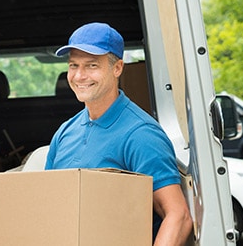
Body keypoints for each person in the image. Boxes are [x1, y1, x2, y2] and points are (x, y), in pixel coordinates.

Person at [45, 22, 192, 245]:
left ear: (117, 68)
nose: (79, 76)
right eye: (73, 65)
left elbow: (178, 216)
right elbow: (49, 204)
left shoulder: (141, 134)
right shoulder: (66, 131)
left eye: (92, 65)